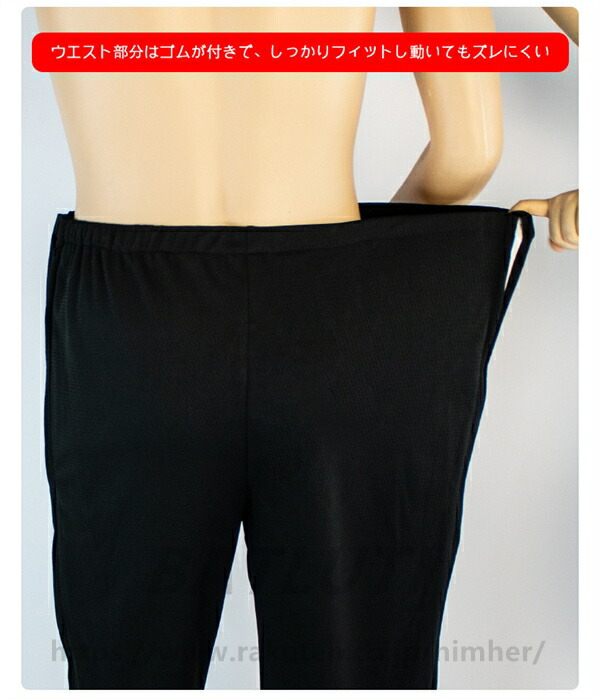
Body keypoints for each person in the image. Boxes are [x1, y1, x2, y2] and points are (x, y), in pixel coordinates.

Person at [35, 6, 574, 689]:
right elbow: (469, 150)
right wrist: (372, 275)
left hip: (129, 320)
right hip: (339, 320)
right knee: (358, 661)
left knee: (124, 659)